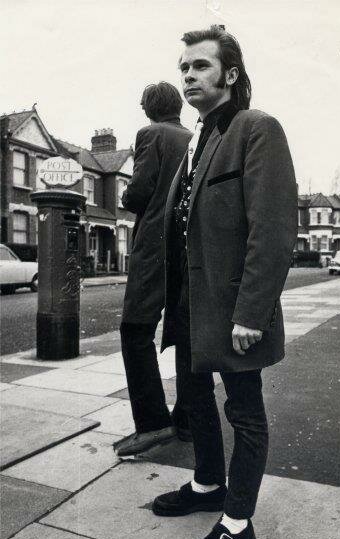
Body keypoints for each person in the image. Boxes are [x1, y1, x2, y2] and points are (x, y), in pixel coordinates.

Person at [151, 27, 298, 539]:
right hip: (190, 306)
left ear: (230, 75)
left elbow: (274, 229)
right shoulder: (198, 140)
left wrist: (251, 313)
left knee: (244, 410)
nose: (188, 75)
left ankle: (238, 525)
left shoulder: (256, 129)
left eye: (201, 67)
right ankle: (209, 482)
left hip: (234, 310)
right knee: (192, 397)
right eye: (183, 67)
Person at [114, 82, 192, 459]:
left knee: (135, 329)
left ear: (148, 108)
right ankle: (188, 421)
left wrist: (126, 197)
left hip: (154, 247)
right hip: (187, 248)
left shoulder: (151, 134)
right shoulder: (195, 136)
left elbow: (139, 192)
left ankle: (152, 423)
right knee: (184, 332)